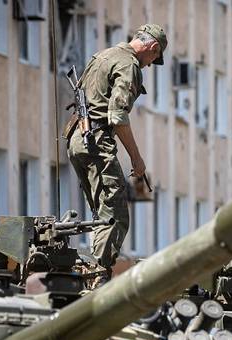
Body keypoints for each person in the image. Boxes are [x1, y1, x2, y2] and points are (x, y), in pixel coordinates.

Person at [67, 24, 168, 276]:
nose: (148, 65)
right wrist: (137, 158)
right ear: (153, 48)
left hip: (76, 139)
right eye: (153, 60)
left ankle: (91, 267)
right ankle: (96, 276)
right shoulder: (129, 64)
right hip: (95, 141)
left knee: (102, 212)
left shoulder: (103, 55)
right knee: (115, 215)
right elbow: (117, 115)